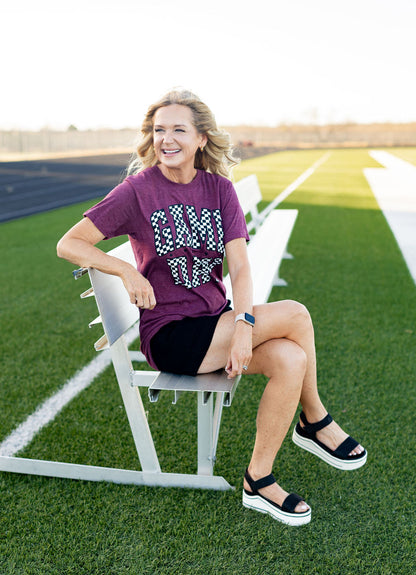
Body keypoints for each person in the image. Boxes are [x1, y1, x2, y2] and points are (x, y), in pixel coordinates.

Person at [57, 89, 367, 526]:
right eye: (158, 129)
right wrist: (126, 272)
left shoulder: (219, 189)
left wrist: (242, 328)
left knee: (291, 357)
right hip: (172, 336)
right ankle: (314, 420)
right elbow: (68, 244)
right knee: (296, 314)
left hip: (215, 324)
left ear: (201, 138)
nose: (166, 138)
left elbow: (239, 267)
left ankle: (258, 479)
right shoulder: (137, 191)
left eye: (178, 129)